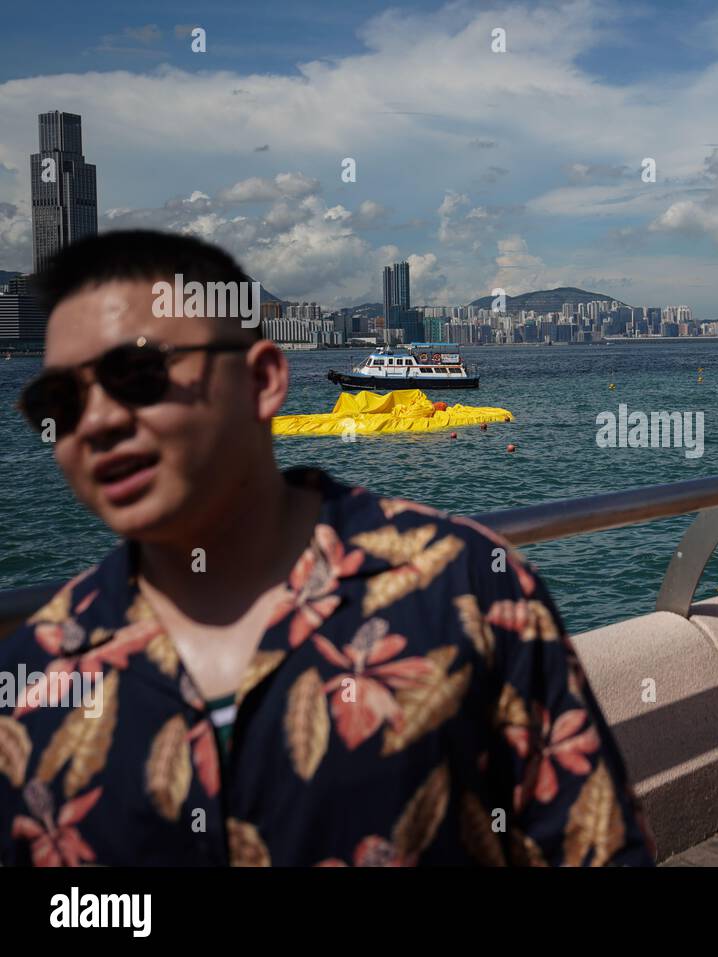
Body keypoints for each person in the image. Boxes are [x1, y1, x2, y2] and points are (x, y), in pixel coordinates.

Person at [1, 230, 654, 867]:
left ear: (262, 381)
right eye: (59, 400)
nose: (98, 420)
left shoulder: (462, 591)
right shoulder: (36, 676)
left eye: (138, 372)